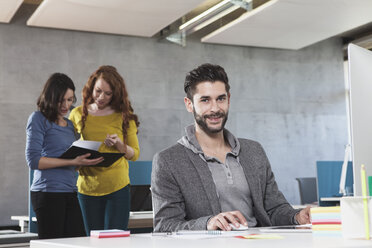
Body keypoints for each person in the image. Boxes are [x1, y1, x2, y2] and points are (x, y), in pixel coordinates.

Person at [151, 63, 311, 232]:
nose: (215, 108)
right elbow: (165, 226)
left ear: (228, 99)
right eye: (205, 100)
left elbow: (274, 209)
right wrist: (208, 224)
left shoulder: (253, 151)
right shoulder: (168, 161)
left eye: (220, 99)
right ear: (189, 104)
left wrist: (297, 216)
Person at [25, 73, 104, 239]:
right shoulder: (38, 119)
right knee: (53, 243)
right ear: (50, 97)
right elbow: (33, 161)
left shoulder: (69, 125)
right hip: (47, 193)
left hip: (69, 191)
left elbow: (72, 163)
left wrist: (83, 162)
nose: (65, 105)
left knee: (77, 242)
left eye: (69, 100)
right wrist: (71, 161)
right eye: (61, 100)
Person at [69, 65, 140, 235]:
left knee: (115, 242)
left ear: (115, 94)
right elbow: (69, 150)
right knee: (92, 241)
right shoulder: (77, 114)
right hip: (87, 187)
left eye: (108, 94)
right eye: (98, 91)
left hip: (117, 187)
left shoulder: (124, 115)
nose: (101, 97)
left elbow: (135, 154)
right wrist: (76, 160)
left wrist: (119, 145)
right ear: (91, 87)